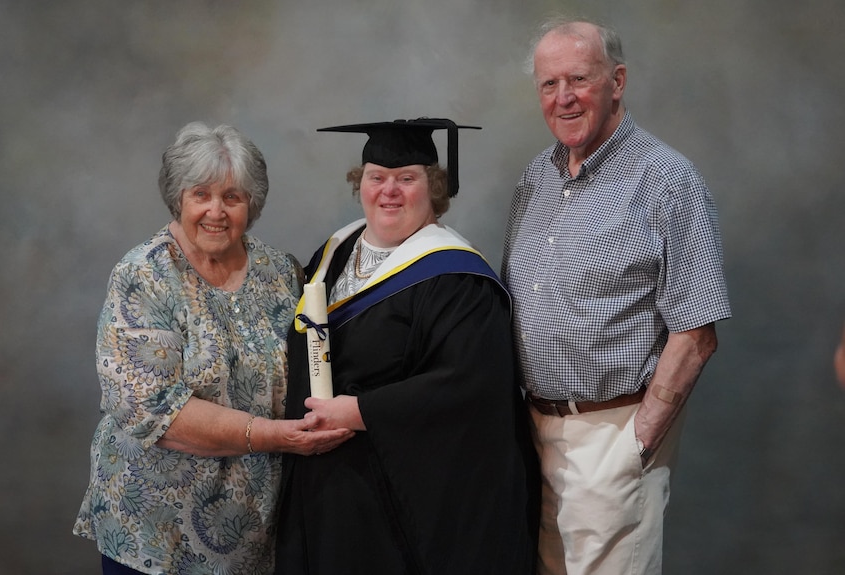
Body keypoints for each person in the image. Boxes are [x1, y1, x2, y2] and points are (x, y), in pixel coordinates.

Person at [501, 18, 732, 575]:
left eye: (579, 79)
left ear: (618, 81)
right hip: (534, 436)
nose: (564, 98)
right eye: (548, 84)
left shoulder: (665, 179)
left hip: (613, 434)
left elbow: (697, 333)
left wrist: (637, 444)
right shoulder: (536, 178)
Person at [73, 121, 354, 575]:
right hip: (156, 530)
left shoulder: (279, 270)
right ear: (178, 198)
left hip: (253, 533)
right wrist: (273, 435)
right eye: (200, 194)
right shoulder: (143, 276)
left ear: (252, 204)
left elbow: (316, 362)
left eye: (232, 197)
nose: (216, 211)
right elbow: (155, 412)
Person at [276, 118, 539, 574]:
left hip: (398, 509)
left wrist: (358, 413)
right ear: (361, 184)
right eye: (376, 177)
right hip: (324, 491)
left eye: (406, 179)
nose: (389, 191)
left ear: (434, 188)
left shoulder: (457, 278)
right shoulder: (333, 253)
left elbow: (469, 389)